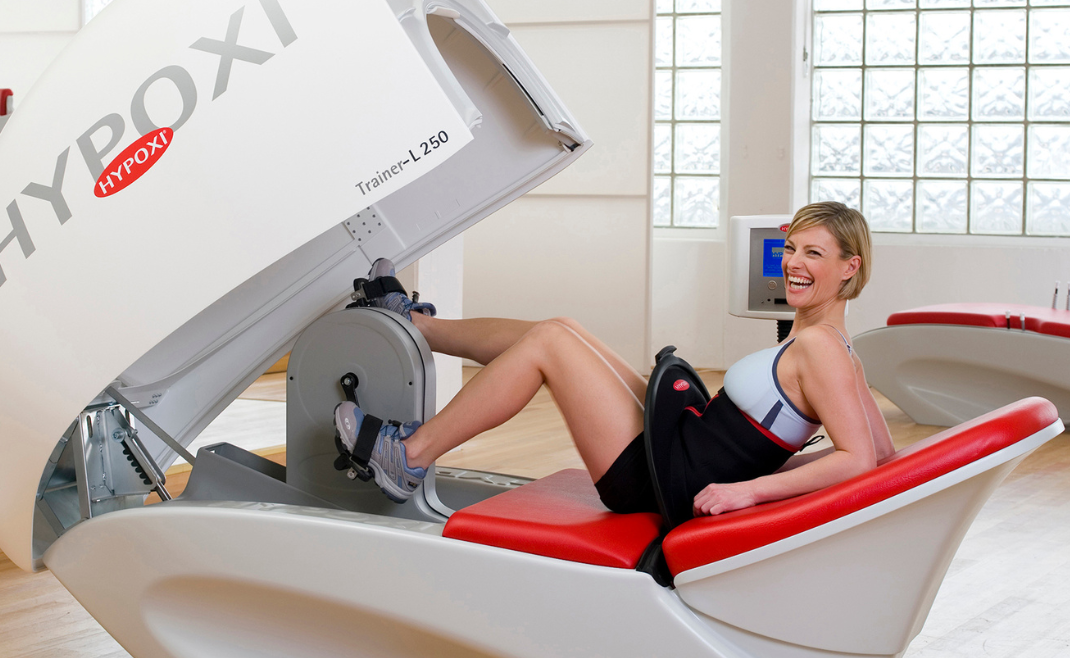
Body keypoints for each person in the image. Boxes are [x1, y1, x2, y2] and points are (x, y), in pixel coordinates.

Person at [334, 201, 895, 521]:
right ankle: (415, 324)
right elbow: (884, 454)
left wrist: (749, 490)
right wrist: (771, 468)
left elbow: (856, 461)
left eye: (814, 253)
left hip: (664, 477)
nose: (793, 263)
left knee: (552, 341)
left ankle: (407, 456)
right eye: (791, 248)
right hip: (682, 441)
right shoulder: (841, 348)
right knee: (566, 330)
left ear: (851, 267)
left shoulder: (822, 348)